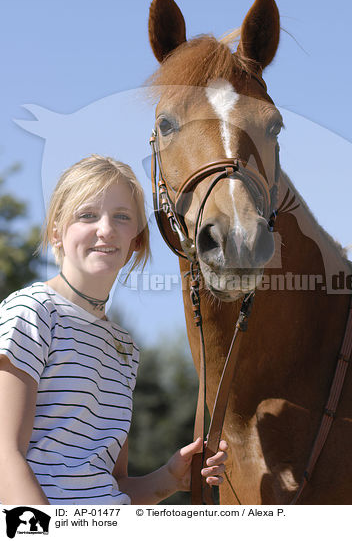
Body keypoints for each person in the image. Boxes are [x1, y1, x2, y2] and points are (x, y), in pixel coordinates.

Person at [0, 154, 227, 505]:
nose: (105, 229)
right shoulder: (31, 313)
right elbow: (5, 458)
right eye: (87, 215)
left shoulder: (124, 347)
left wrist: (169, 477)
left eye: (122, 217)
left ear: (136, 239)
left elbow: (112, 485)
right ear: (57, 232)